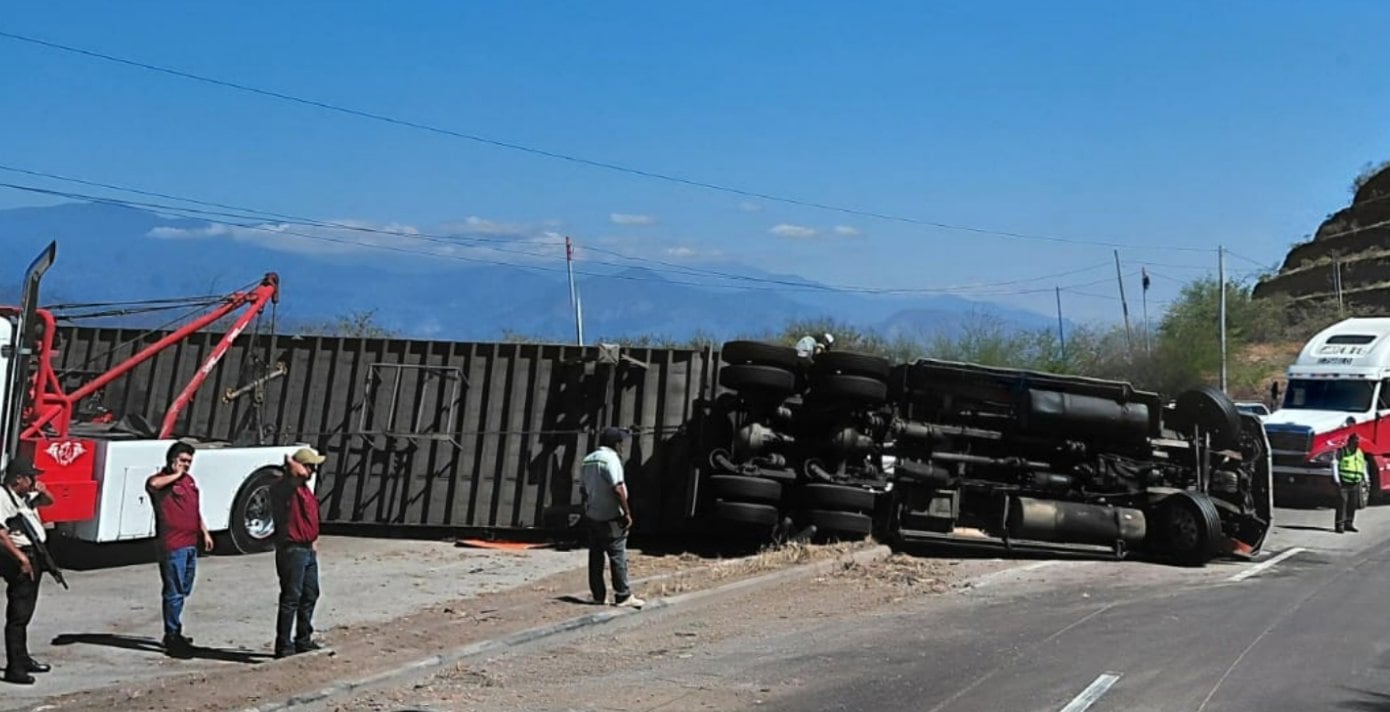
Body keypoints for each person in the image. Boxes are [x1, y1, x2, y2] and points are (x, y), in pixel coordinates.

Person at [146, 441, 213, 655]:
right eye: (183, 460)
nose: (186, 465)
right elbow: (153, 485)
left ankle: (176, 629)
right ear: (172, 459)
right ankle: (172, 635)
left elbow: (194, 509)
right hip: (173, 545)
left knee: (184, 588)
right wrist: (175, 474)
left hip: (191, 543)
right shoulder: (163, 481)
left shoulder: (190, 482)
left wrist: (204, 531)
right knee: (174, 591)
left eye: (189, 462)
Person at [0, 457, 52, 684]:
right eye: (30, 477)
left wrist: (44, 490)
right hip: (20, 556)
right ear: (18, 479)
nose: (34, 481)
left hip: (35, 554)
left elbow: (49, 502)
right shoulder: (3, 497)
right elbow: (0, 533)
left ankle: (23, 658)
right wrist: (21, 558)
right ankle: (15, 668)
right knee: (18, 615)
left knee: (26, 612)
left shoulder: (25, 496)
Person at [580, 427, 643, 608]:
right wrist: (626, 513)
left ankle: (598, 596)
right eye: (621, 442)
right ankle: (623, 595)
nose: (622, 446)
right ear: (616, 444)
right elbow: (617, 488)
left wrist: (586, 510)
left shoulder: (588, 460)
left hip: (593, 515)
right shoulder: (611, 459)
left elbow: (583, 490)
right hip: (612, 516)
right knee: (617, 555)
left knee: (596, 556)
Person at [271, 447, 325, 658]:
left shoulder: (304, 489)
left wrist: (314, 542)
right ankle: (283, 644)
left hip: (306, 548)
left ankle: (303, 638)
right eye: (310, 466)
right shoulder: (285, 488)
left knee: (310, 593)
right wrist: (292, 464)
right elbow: (297, 475)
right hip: (292, 549)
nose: (312, 471)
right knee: (291, 597)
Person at [1333, 418, 1366, 534]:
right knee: (1342, 503)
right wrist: (1336, 479)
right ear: (1350, 442)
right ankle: (1339, 525)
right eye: (1355, 441)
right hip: (1344, 482)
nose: (1357, 443)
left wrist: (1365, 478)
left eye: (1358, 441)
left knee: (1353, 503)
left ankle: (1349, 523)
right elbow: (1334, 464)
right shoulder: (1343, 451)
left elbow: (1363, 465)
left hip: (1356, 481)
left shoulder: (1359, 452)